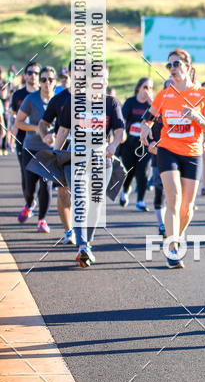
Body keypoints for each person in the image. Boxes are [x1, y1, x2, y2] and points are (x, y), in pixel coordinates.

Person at [139, 49, 205, 268]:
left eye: (176, 64)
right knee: (173, 197)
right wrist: (145, 128)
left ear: (188, 68)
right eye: (169, 65)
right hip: (168, 150)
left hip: (192, 153)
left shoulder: (202, 94)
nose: (172, 69)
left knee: (187, 207)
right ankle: (173, 250)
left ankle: (176, 236)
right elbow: (148, 119)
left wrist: (196, 116)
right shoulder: (165, 95)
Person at [55, 65, 125, 267]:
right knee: (79, 198)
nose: (102, 82)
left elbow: (120, 130)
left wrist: (113, 144)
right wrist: (53, 155)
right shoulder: (74, 101)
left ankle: (88, 243)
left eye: (105, 79)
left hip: (101, 158)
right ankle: (82, 245)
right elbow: (62, 130)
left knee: (95, 203)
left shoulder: (111, 103)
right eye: (98, 78)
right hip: (75, 157)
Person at [15, 66, 57, 232]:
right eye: (43, 79)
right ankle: (29, 204)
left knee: (46, 185)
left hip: (49, 150)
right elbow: (19, 122)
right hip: (31, 148)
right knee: (30, 187)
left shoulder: (59, 100)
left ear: (55, 83)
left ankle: (42, 220)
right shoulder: (31, 100)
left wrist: (56, 137)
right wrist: (36, 129)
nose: (47, 83)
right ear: (39, 82)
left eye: (50, 80)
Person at [38, 61, 73, 244]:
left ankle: (82, 231)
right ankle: (69, 231)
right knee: (63, 192)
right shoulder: (59, 99)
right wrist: (45, 136)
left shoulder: (96, 99)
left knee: (83, 194)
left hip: (88, 153)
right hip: (63, 151)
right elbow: (43, 124)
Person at [118, 77, 154, 210]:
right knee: (129, 171)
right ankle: (125, 190)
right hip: (129, 143)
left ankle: (140, 201)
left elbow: (158, 119)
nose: (148, 91)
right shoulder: (130, 102)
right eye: (145, 87)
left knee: (143, 172)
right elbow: (122, 119)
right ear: (139, 88)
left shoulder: (153, 105)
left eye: (150, 88)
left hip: (145, 143)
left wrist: (152, 105)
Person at [11, 62, 40, 203]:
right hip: (23, 139)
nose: (33, 76)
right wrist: (13, 131)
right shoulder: (18, 95)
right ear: (25, 76)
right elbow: (15, 116)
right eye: (30, 73)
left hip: (42, 140)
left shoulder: (46, 93)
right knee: (26, 172)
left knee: (44, 176)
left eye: (36, 73)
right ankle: (29, 201)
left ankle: (43, 206)